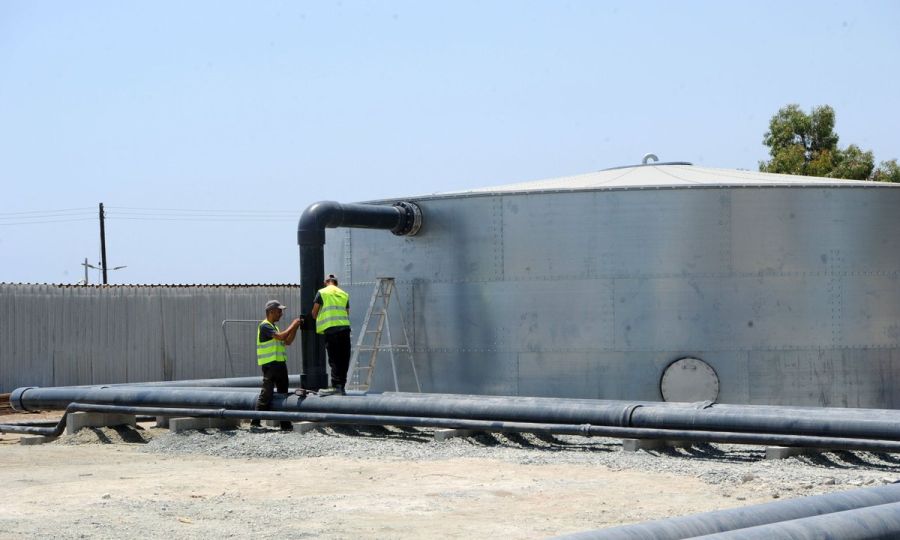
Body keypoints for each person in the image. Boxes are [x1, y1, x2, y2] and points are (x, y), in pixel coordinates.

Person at [253, 299, 302, 430]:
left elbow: (288, 341)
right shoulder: (265, 326)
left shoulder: (275, 327)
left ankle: (285, 424)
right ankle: (255, 422)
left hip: (280, 365)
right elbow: (281, 337)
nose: (281, 313)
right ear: (271, 312)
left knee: (283, 394)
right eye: (279, 311)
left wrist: (295, 328)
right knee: (266, 394)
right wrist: (293, 324)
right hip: (270, 366)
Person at [312, 274, 351, 396]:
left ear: (326, 282)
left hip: (331, 330)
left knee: (334, 359)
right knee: (344, 358)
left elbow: (314, 313)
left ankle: (335, 386)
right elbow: (347, 312)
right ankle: (341, 387)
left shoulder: (322, 292)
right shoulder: (344, 294)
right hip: (344, 329)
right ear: (336, 283)